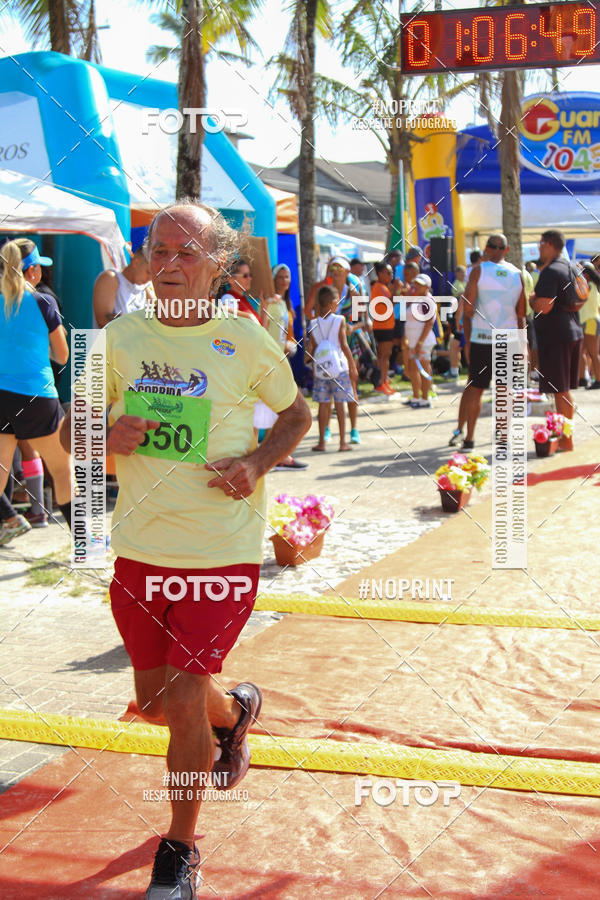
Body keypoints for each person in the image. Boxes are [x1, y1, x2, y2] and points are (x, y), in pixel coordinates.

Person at [60, 201, 311, 899]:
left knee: (179, 690)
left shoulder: (246, 339)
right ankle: (237, 713)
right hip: (142, 548)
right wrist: (102, 439)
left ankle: (179, 850)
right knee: (157, 699)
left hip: (221, 551)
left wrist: (258, 464)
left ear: (220, 268)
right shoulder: (118, 338)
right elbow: (68, 434)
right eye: (158, 250)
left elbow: (296, 415)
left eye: (186, 253)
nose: (169, 265)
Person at [0, 239, 72, 545]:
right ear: (30, 271)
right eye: (38, 267)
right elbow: (63, 356)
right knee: (63, 471)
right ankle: (86, 543)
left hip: (1, 395)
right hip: (36, 396)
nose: (41, 272)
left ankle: (10, 517)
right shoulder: (43, 302)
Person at [450, 234, 526, 450]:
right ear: (507, 250)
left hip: (483, 339)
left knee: (476, 389)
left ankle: (470, 438)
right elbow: (521, 313)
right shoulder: (517, 274)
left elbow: (468, 309)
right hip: (509, 338)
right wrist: (523, 345)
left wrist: (467, 338)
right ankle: (503, 438)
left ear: (487, 249)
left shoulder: (478, 271)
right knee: (505, 390)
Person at [531, 230, 587, 450]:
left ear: (550, 244)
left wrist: (532, 299)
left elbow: (544, 306)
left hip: (557, 336)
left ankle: (566, 439)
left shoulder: (552, 271)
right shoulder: (573, 268)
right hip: (571, 332)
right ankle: (563, 436)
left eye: (541, 243)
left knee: (561, 390)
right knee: (561, 389)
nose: (539, 247)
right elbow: (583, 298)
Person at [307, 285, 358, 451]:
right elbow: (343, 345)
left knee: (323, 404)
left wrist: (314, 369)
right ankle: (342, 442)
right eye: (336, 299)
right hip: (339, 368)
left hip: (322, 369)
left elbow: (313, 348)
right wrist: (352, 366)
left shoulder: (313, 323)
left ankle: (321, 442)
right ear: (330, 303)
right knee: (340, 404)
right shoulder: (339, 320)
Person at [92, 247, 155, 328]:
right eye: (148, 272)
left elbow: (157, 320)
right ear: (136, 262)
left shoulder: (145, 289)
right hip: (109, 340)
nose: (150, 278)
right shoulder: (111, 278)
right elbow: (103, 321)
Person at [404, 274, 436, 408]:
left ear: (427, 287)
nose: (416, 286)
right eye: (416, 283)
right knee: (413, 369)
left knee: (423, 368)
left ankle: (425, 398)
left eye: (420, 284)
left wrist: (419, 343)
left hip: (422, 342)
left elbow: (429, 323)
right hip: (413, 341)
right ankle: (416, 397)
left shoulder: (427, 301)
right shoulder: (417, 299)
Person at [371, 261, 396, 395]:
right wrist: (396, 290)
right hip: (382, 326)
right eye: (388, 272)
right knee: (383, 356)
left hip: (386, 325)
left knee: (385, 355)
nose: (391, 275)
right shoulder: (379, 287)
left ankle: (383, 381)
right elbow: (390, 302)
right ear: (380, 273)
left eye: (392, 272)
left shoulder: (383, 287)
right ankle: (380, 382)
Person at [578, 261, 600, 389]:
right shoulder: (594, 287)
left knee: (593, 353)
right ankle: (582, 379)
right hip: (590, 320)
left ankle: (598, 379)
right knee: (582, 352)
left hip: (589, 321)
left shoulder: (589, 286)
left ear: (586, 274)